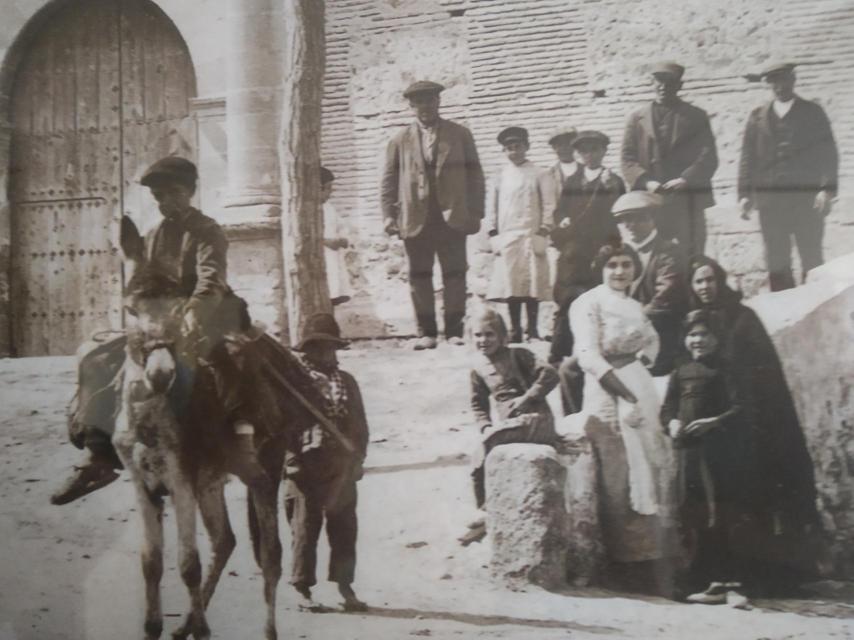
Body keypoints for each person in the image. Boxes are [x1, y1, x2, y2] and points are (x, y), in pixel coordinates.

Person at [52, 157, 257, 505]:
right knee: (97, 355)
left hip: (211, 311)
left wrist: (193, 312)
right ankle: (97, 451)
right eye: (160, 196)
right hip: (163, 318)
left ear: (191, 192)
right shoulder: (152, 234)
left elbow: (211, 280)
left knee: (235, 358)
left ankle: (241, 442)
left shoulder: (207, 230)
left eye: (174, 193)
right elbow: (143, 279)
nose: (166, 202)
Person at [687, 256, 821, 587]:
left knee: (757, 497)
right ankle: (721, 572)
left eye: (710, 279)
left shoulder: (743, 319)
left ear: (721, 280)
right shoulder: (696, 322)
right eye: (698, 281)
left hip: (755, 426)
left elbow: (762, 376)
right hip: (715, 426)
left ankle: (770, 576)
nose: (705, 287)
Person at [570, 242, 676, 596]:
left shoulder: (634, 305)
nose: (619, 271)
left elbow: (653, 343)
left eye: (626, 265)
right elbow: (586, 354)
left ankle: (650, 559)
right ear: (600, 269)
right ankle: (623, 562)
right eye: (612, 265)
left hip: (638, 388)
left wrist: (638, 373)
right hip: (605, 393)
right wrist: (622, 389)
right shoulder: (589, 302)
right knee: (619, 474)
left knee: (650, 465)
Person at [380, 80, 486, 350]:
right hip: (415, 218)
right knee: (420, 276)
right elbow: (389, 181)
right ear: (411, 106)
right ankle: (426, 333)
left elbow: (476, 176)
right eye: (419, 102)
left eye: (430, 100)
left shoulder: (460, 134)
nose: (425, 107)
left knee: (455, 274)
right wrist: (389, 216)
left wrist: (476, 212)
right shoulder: (399, 140)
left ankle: (454, 330)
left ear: (439, 102)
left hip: (452, 217)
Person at [661, 310, 754, 608]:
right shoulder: (681, 371)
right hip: (688, 453)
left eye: (704, 334)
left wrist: (713, 422)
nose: (697, 340)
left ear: (716, 338)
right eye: (692, 335)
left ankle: (731, 583)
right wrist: (672, 423)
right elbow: (667, 409)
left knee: (720, 514)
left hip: (717, 453)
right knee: (693, 513)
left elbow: (741, 408)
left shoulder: (727, 370)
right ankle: (705, 582)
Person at [284, 313, 370, 612]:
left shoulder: (346, 382)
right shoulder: (293, 384)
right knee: (305, 527)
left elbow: (359, 424)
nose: (324, 353)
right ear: (305, 350)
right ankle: (302, 589)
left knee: (345, 526)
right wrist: (290, 459)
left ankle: (344, 587)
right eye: (317, 347)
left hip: (341, 465)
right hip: (304, 466)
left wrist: (358, 457)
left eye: (329, 347)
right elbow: (281, 427)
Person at [738, 62, 839, 291]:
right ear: (768, 84)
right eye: (773, 82)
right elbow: (748, 158)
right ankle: (784, 315)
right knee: (776, 261)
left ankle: (816, 307)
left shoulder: (813, 113)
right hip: (770, 203)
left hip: (806, 201)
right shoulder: (757, 117)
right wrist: (744, 195)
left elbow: (828, 153)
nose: (779, 87)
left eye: (783, 80)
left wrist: (826, 190)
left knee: (812, 259)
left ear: (793, 80)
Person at [463, 307, 558, 545]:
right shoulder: (478, 369)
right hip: (511, 425)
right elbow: (478, 404)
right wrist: (485, 426)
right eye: (478, 335)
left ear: (502, 335)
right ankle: (485, 511)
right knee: (483, 447)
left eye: (489, 334)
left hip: (536, 419)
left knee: (484, 449)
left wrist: (526, 398)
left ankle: (484, 512)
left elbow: (551, 374)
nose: (483, 340)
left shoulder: (520, 355)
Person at [550, 130, 624, 414]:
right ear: (579, 155)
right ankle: (559, 355)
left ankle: (592, 350)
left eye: (595, 150)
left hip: (599, 254)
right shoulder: (572, 181)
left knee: (594, 302)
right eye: (585, 151)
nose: (590, 155)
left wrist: (609, 248)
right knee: (567, 301)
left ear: (604, 151)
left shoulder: (612, 181)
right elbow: (559, 213)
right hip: (573, 254)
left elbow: (618, 221)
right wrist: (563, 221)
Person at [621, 62, 718, 257]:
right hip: (649, 203)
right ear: (652, 83)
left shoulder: (696, 117)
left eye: (670, 82)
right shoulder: (636, 119)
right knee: (653, 257)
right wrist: (647, 183)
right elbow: (627, 160)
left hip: (688, 201)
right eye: (659, 81)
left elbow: (709, 156)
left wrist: (685, 179)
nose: (663, 87)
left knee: (693, 256)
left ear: (679, 85)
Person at [485, 126, 555, 343]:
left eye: (518, 146)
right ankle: (515, 329)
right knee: (512, 286)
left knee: (532, 286)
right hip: (508, 237)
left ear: (527, 147)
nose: (514, 151)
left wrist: (544, 228)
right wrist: (493, 232)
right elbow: (491, 207)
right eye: (509, 148)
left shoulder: (541, 174)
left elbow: (549, 204)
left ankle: (532, 330)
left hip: (531, 235)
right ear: (504, 151)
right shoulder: (499, 176)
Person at [613, 191, 687, 376]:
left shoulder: (669, 252)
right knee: (572, 369)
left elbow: (663, 300)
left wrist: (629, 324)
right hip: (623, 336)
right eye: (623, 220)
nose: (629, 225)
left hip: (658, 337)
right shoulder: (621, 253)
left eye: (636, 218)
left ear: (652, 218)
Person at [320, 167, 353, 305]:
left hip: (333, 257)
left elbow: (341, 226)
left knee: (333, 294)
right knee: (323, 293)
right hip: (321, 257)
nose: (329, 193)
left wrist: (344, 238)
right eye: (327, 189)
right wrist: (324, 241)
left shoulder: (328, 207)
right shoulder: (308, 209)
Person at [546, 125, 580, 203]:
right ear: (554, 148)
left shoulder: (586, 171)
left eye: (568, 143)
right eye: (559, 145)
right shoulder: (548, 175)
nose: (564, 148)